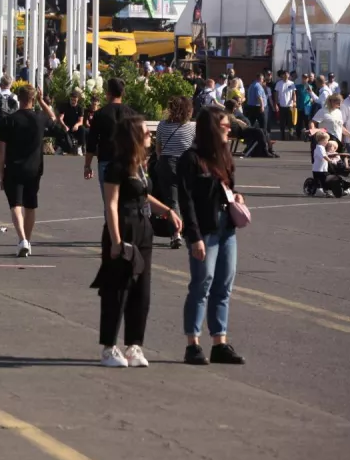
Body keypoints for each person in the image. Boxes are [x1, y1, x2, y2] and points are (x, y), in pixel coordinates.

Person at [93, 116, 180, 368]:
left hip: (144, 228)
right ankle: (109, 347)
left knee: (142, 290)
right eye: (146, 133)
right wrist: (116, 241)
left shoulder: (140, 165)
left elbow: (144, 194)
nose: (150, 137)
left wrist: (167, 211)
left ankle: (134, 345)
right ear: (133, 136)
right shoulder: (116, 166)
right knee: (117, 289)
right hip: (123, 227)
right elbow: (110, 204)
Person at [176, 106, 247, 366]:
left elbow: (229, 188)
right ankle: (192, 344)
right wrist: (193, 237)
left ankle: (220, 342)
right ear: (212, 129)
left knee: (223, 286)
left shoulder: (224, 155)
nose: (229, 130)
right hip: (204, 232)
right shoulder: (191, 159)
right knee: (201, 285)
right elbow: (186, 201)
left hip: (226, 229)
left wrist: (236, 197)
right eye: (225, 126)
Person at [0, 86, 55, 258]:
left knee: (15, 204)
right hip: (34, 168)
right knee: (30, 205)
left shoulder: (9, 120)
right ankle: (26, 241)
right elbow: (53, 118)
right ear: (33, 99)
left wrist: (1, 172)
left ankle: (22, 239)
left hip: (14, 167)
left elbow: (1, 150)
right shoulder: (40, 117)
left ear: (18, 99)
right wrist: (42, 101)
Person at [152, 95, 194, 250]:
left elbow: (158, 149)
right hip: (186, 164)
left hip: (167, 163)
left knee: (172, 201)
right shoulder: (191, 127)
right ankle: (190, 231)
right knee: (188, 199)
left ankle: (175, 234)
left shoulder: (163, 125)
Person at [84, 77, 134, 193]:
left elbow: (92, 142)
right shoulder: (131, 113)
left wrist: (87, 165)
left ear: (108, 93)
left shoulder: (100, 114)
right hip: (127, 161)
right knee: (126, 202)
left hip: (106, 160)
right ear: (122, 93)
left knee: (109, 203)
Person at [60, 89, 88, 155]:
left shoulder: (80, 108)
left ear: (77, 99)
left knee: (82, 129)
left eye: (75, 100)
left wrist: (77, 125)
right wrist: (64, 125)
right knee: (61, 130)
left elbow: (80, 121)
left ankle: (80, 146)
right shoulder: (65, 106)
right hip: (66, 125)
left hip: (75, 126)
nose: (73, 101)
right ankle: (62, 147)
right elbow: (60, 118)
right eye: (72, 100)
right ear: (70, 99)